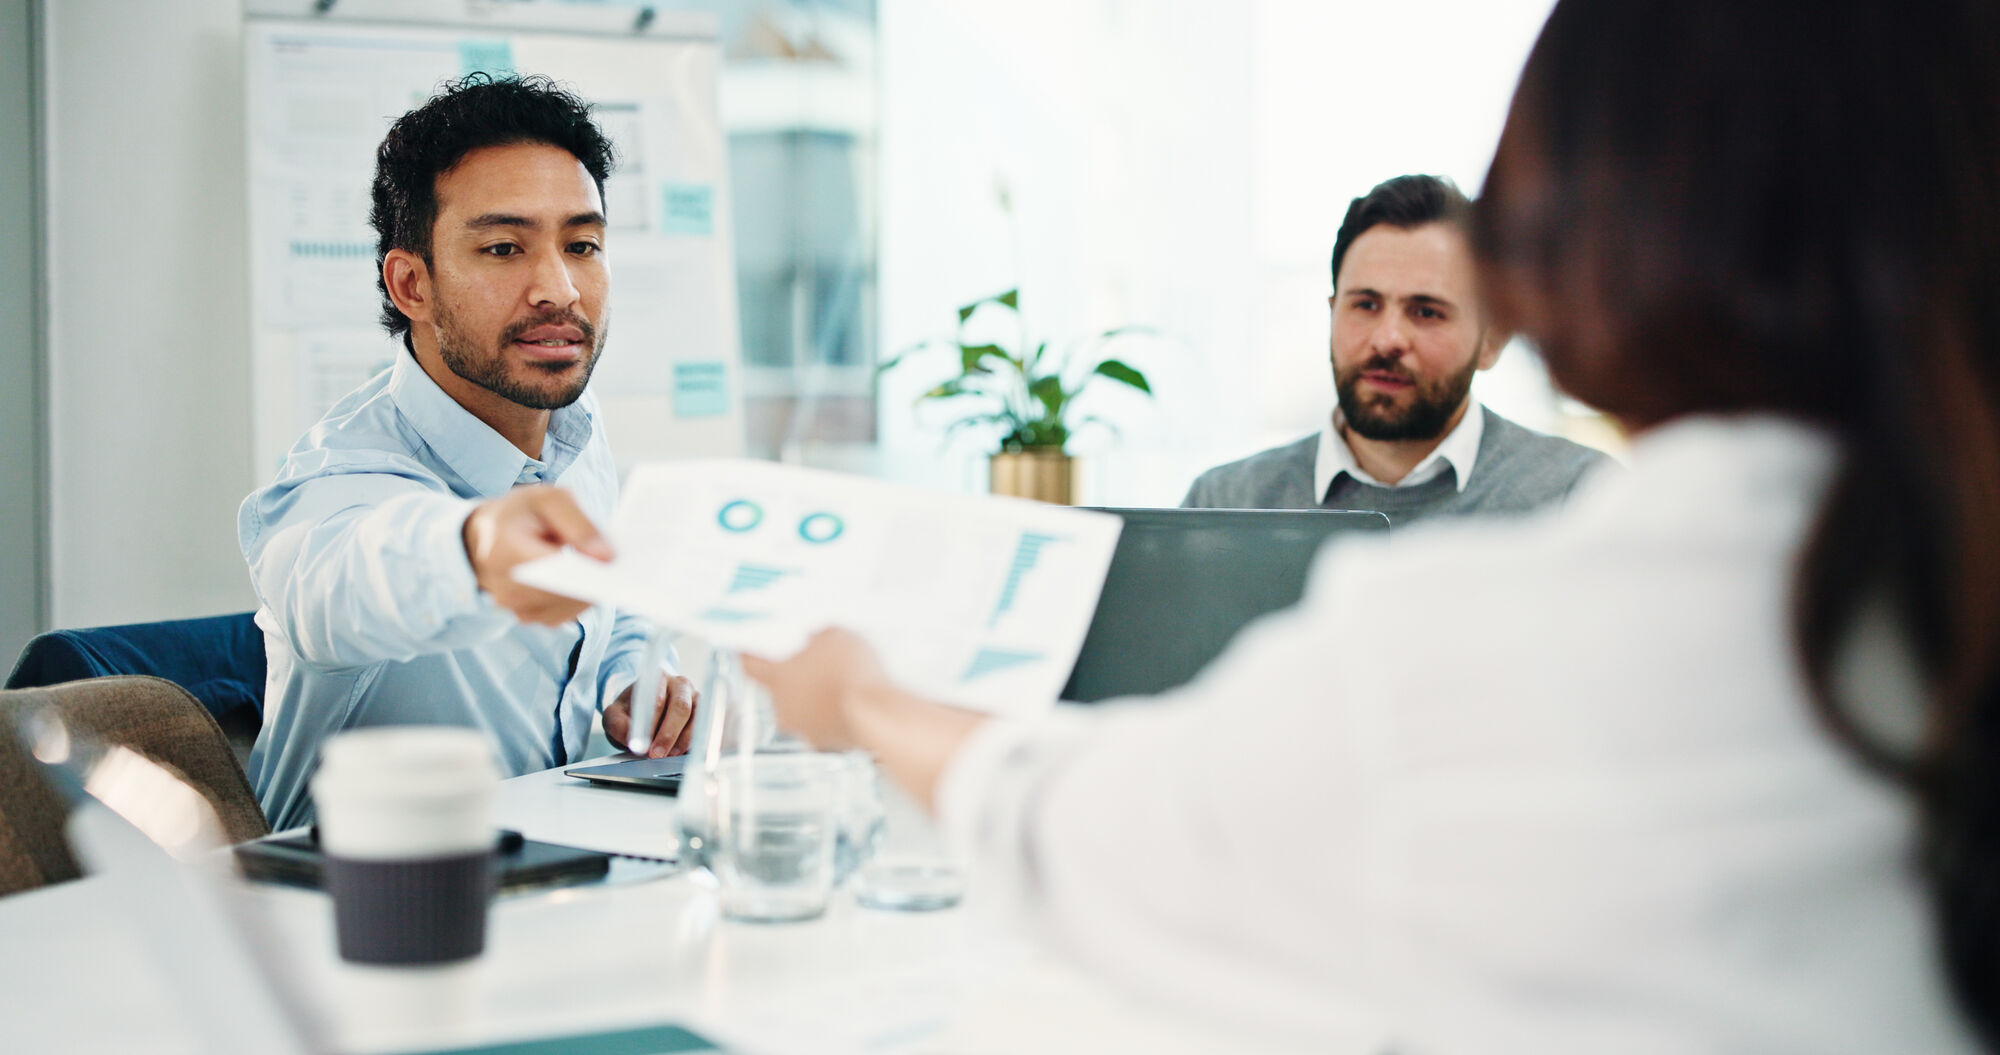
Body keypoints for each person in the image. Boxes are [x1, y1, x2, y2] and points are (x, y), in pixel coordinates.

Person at [744, 0, 2000, 1049]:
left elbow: (1097, 834)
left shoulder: (1522, 599)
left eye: (1433, 305)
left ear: (1557, 262)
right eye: (1360, 303)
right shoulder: (1920, 574)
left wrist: (858, 695)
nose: (1387, 337)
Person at [240, 75, 695, 831]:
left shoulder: (574, 425)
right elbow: (335, 588)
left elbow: (618, 614)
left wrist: (635, 674)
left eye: (581, 245)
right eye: (503, 247)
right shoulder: (340, 475)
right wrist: (474, 546)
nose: (558, 289)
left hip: (543, 877)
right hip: (343, 914)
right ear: (411, 283)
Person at [1180, 174, 1606, 526]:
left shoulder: (1577, 498)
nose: (1387, 340)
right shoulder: (1224, 502)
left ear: (1490, 341)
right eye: (1365, 305)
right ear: (1332, 314)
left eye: (1426, 312)